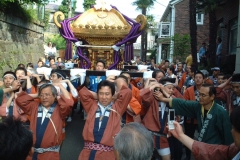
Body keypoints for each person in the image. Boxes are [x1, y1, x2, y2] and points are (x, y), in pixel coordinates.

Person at [157, 83, 233, 145]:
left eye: (203, 95)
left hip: (216, 148)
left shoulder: (221, 112)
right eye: (199, 94)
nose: (200, 97)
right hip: (202, 146)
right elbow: (182, 103)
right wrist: (163, 98)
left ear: (212, 96)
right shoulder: (198, 106)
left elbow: (228, 135)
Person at [16, 83, 74, 160]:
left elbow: (68, 104)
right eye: (42, 95)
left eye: (47, 95)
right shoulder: (34, 106)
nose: (44, 97)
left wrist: (58, 93)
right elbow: (19, 100)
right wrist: (37, 94)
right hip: (32, 152)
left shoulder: (60, 109)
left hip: (50, 154)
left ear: (54, 95)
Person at [78, 80, 132, 160]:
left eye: (107, 94)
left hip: (107, 155)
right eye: (101, 93)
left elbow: (127, 92)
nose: (104, 97)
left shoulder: (117, 108)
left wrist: (114, 96)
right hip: (87, 153)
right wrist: (98, 96)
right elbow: (82, 93)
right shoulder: (91, 106)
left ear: (112, 95)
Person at [168, 106, 240, 160]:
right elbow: (212, 152)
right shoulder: (234, 150)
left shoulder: (220, 112)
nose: (231, 131)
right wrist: (180, 136)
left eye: (233, 128)